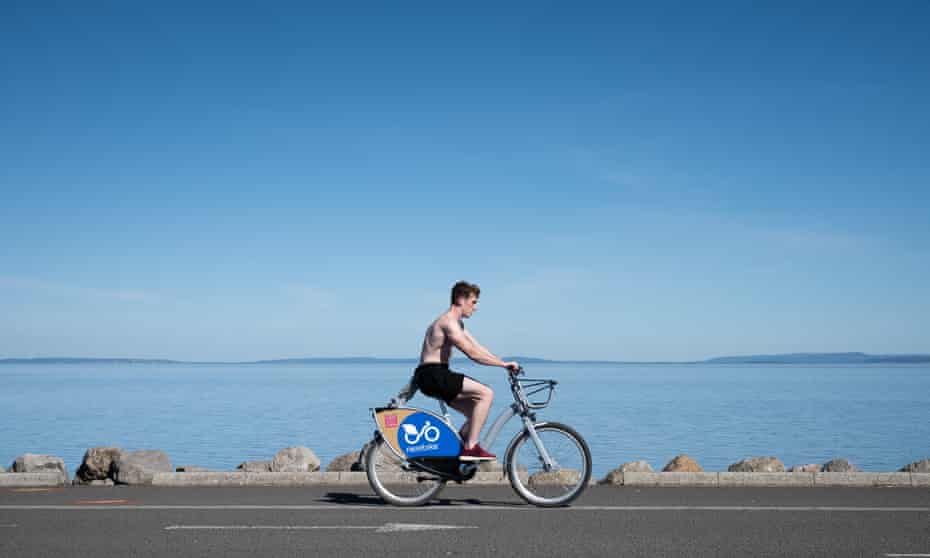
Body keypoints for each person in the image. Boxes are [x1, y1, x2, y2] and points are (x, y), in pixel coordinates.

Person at [413, 281, 520, 461]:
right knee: (486, 394)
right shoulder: (448, 323)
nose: (475, 307)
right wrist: (502, 366)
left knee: (476, 413)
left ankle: (454, 453)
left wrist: (503, 362)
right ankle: (470, 448)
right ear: (460, 299)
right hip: (433, 374)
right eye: (473, 302)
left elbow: (478, 347)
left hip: (436, 374)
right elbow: (472, 354)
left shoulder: (458, 324)